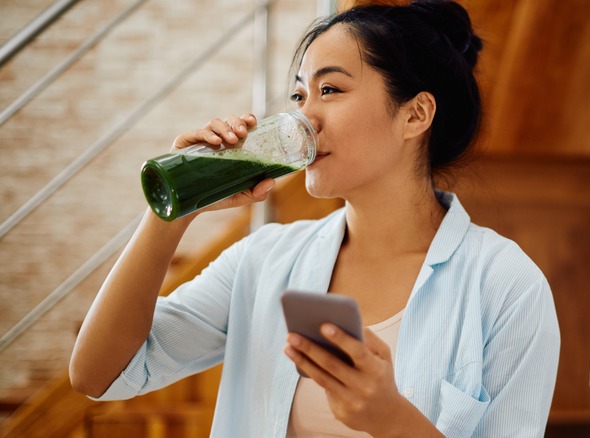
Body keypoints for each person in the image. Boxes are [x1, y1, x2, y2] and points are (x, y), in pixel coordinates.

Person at [69, 1, 560, 436]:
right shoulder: (262, 262)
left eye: (330, 90)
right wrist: (172, 215)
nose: (305, 118)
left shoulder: (506, 286)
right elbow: (99, 374)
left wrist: (391, 421)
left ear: (415, 115)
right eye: (299, 96)